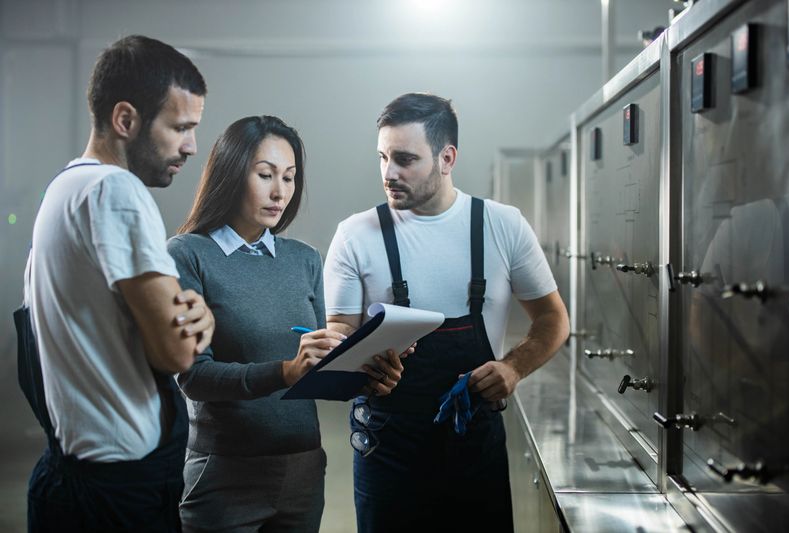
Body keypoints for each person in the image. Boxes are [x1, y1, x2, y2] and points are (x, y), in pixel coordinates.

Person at [323, 93, 570, 532]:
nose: (388, 173)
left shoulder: (502, 224)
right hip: (386, 448)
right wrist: (360, 366)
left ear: (446, 158)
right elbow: (340, 330)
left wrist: (512, 368)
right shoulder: (355, 235)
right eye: (381, 157)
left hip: (472, 444)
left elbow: (553, 320)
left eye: (404, 159)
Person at [167, 115, 404, 533]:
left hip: (303, 471)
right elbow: (194, 377)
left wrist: (369, 373)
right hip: (224, 475)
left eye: (290, 178)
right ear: (230, 173)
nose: (280, 191)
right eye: (265, 175)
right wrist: (284, 371)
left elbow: (318, 371)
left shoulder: (304, 259)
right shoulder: (188, 255)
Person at [22, 35, 214, 532]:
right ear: (126, 119)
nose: (192, 146)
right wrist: (201, 319)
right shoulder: (115, 190)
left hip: (71, 474)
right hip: (116, 493)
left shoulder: (65, 187)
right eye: (180, 128)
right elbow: (175, 353)